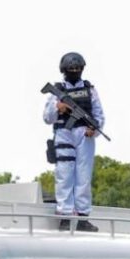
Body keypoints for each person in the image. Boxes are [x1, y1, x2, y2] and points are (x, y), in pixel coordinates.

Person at [43, 51, 106, 232]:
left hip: (84, 134)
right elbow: (47, 117)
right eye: (71, 68)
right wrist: (58, 107)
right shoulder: (57, 91)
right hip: (64, 133)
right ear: (64, 70)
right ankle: (65, 216)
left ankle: (82, 217)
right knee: (64, 174)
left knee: (83, 176)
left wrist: (94, 129)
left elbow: (99, 115)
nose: (74, 71)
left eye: (77, 68)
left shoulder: (90, 90)